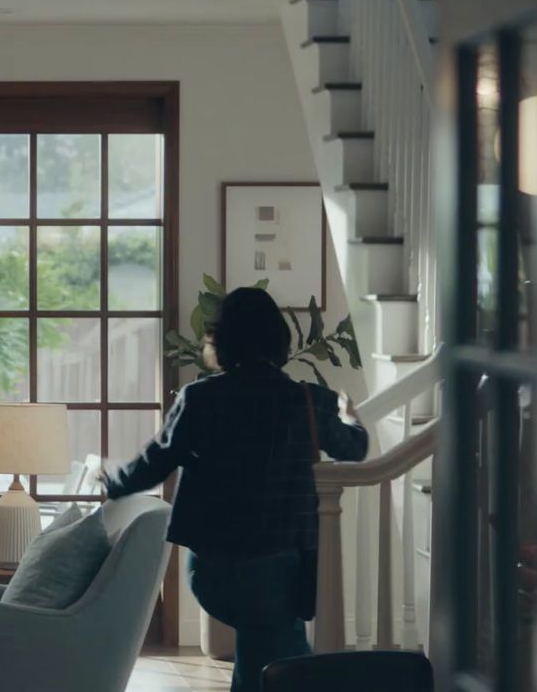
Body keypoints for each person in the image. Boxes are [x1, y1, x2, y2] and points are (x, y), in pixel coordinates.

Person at [102, 287, 368, 692]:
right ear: (280, 339)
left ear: (220, 341)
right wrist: (353, 418)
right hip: (281, 569)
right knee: (285, 658)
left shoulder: (200, 398)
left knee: (267, 651)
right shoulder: (308, 402)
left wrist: (111, 482)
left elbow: (154, 462)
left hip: (213, 568)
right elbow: (355, 448)